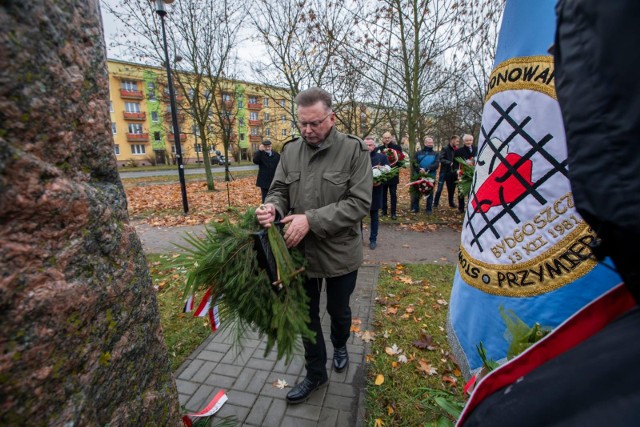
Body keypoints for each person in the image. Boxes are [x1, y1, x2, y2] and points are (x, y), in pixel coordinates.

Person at [255, 87, 372, 404]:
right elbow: (278, 189)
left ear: (331, 118)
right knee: (307, 317)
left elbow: (360, 203)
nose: (307, 130)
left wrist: (311, 220)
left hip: (340, 256)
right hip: (300, 255)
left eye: (315, 123)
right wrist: (273, 208)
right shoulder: (291, 151)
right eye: (302, 123)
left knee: (338, 311)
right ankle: (315, 374)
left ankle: (341, 343)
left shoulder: (354, 151)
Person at [365, 136, 390, 249]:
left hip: (375, 191)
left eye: (370, 145)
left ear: (374, 146)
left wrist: (380, 181)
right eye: (366, 145)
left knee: (374, 216)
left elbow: (388, 174)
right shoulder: (357, 157)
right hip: (360, 192)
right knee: (357, 217)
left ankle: (373, 239)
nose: (368, 147)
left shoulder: (382, 157)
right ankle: (357, 238)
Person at [374, 132, 402, 219]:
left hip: (393, 175)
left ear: (391, 138)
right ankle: (384, 211)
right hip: (383, 175)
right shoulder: (379, 149)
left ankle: (393, 213)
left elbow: (400, 160)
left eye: (388, 137)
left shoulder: (397, 148)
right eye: (385, 137)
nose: (387, 139)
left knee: (393, 194)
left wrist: (393, 167)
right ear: (382, 138)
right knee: (383, 194)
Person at [411, 136, 439, 214]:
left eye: (431, 142)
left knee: (430, 192)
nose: (430, 144)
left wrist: (426, 169)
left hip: (431, 175)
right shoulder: (418, 153)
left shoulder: (436, 154)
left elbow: (436, 164)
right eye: (428, 142)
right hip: (418, 175)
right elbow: (414, 163)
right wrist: (419, 170)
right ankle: (415, 208)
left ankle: (429, 209)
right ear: (425, 143)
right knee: (417, 191)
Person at [433, 135, 460, 209]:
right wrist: (449, 162)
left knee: (451, 189)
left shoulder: (457, 150)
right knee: (439, 189)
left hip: (453, 173)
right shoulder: (445, 148)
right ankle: (435, 203)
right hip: (444, 172)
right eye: (457, 141)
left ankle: (451, 203)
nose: (458, 143)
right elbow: (441, 158)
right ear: (452, 140)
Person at [455, 134, 477, 213]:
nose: (468, 142)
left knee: (473, 191)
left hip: (474, 173)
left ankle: (471, 208)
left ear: (472, 140)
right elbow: (455, 162)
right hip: (463, 173)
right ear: (464, 141)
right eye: (467, 140)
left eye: (470, 140)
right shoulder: (458, 151)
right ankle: (461, 208)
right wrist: (456, 170)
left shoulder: (476, 149)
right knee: (461, 190)